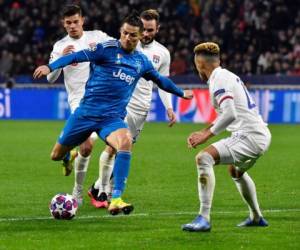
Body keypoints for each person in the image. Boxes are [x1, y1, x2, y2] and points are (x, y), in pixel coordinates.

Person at [33, 11, 193, 216]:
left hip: (112, 118)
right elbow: (76, 56)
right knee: (55, 155)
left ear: (139, 36)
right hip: (86, 113)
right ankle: (66, 158)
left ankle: (115, 197)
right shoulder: (105, 49)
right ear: (120, 32)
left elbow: (161, 80)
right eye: (125, 33)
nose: (128, 38)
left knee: (125, 142)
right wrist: (50, 66)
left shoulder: (142, 62)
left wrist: (180, 93)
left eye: (133, 35)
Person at [88, 9, 177, 208]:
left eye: (150, 30)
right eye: (143, 29)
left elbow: (163, 82)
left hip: (141, 109)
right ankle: (103, 193)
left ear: (157, 29)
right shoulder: (125, 46)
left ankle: (97, 188)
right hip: (121, 105)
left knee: (124, 151)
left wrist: (169, 107)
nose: (146, 34)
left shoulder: (162, 53)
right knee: (113, 147)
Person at [182, 42, 271, 232]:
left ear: (200, 64)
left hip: (249, 136)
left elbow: (230, 114)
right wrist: (204, 130)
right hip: (260, 134)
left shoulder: (218, 80)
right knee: (236, 172)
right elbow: (227, 113)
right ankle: (256, 217)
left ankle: (203, 218)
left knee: (203, 158)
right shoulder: (226, 75)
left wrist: (206, 135)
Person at [46, 4, 111, 205]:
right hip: (79, 102)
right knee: (87, 146)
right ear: (63, 24)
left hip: (102, 98)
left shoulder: (98, 37)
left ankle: (101, 188)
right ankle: (78, 192)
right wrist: (62, 59)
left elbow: (118, 48)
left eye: (76, 21)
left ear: (82, 20)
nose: (72, 26)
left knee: (97, 147)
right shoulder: (59, 46)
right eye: (68, 23)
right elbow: (50, 78)